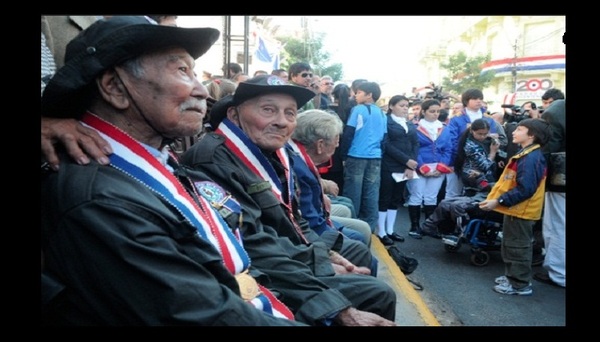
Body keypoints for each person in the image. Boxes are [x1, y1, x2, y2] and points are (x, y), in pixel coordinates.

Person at [40, 16, 304, 326]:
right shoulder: (101, 198)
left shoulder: (157, 165)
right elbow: (202, 313)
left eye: (194, 72)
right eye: (182, 71)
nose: (202, 92)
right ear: (115, 87)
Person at [180, 75, 397, 325]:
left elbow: (295, 219)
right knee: (377, 293)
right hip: (261, 274)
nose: (281, 122)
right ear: (234, 115)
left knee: (362, 266)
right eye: (268, 110)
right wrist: (319, 266)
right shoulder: (213, 160)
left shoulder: (268, 153)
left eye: (290, 113)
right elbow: (253, 244)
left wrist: (324, 253)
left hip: (288, 255)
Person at [479, 118, 552, 296]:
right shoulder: (526, 154)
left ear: (532, 135)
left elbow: (526, 189)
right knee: (510, 245)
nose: (514, 132)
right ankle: (512, 276)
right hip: (515, 209)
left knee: (518, 247)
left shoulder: (531, 158)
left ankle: (520, 284)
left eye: (520, 129)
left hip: (521, 211)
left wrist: (499, 201)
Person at [288, 109, 373, 248]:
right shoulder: (299, 168)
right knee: (359, 238)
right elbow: (312, 222)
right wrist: (338, 234)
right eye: (336, 139)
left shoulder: (298, 158)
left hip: (314, 219)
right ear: (320, 145)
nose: (338, 145)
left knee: (357, 224)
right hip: (309, 234)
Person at [340, 81, 388, 235]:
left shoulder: (358, 109)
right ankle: (369, 227)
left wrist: (343, 155)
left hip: (356, 155)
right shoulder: (382, 113)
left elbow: (349, 133)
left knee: (353, 192)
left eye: (359, 92)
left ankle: (352, 227)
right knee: (372, 193)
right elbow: (384, 138)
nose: (355, 95)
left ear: (369, 95)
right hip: (375, 157)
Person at [407, 99, 453, 238]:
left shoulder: (444, 128)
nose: (435, 114)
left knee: (431, 197)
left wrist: (441, 167)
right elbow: (414, 149)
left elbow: (448, 149)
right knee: (416, 195)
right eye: (432, 111)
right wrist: (422, 167)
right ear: (424, 111)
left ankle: (429, 226)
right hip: (419, 165)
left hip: (438, 167)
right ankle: (414, 226)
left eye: (438, 111)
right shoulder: (415, 127)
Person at [378, 95, 418, 245]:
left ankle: (390, 230)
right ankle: (381, 231)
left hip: (405, 167)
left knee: (396, 199)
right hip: (389, 165)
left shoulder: (409, 123)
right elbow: (386, 145)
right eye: (401, 105)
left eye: (406, 105)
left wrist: (410, 164)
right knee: (385, 197)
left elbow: (415, 143)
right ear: (391, 106)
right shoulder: (386, 122)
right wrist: (406, 160)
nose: (405, 108)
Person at [535, 99, 566, 288]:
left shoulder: (557, 110)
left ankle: (559, 274)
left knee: (557, 227)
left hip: (561, 181)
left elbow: (547, 148)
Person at [453, 118, 499, 192]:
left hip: (484, 175)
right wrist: (493, 152)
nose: (482, 137)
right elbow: (485, 166)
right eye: (479, 134)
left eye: (485, 134)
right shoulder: (470, 145)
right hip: (473, 176)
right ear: (472, 131)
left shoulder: (487, 140)